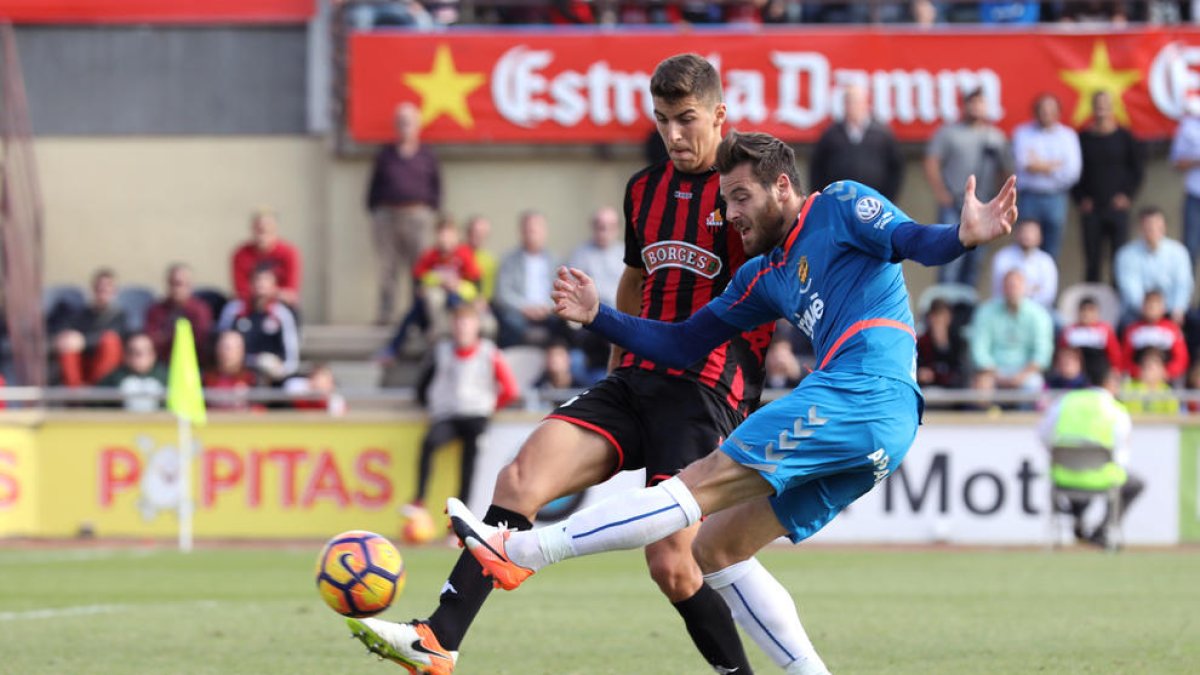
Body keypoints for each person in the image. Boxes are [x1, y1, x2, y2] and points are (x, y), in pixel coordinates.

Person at [440, 131, 1017, 674]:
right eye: (726, 200)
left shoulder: (838, 203)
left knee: (699, 482)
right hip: (875, 424)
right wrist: (600, 317)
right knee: (717, 547)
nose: (730, 213)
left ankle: (523, 552)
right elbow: (682, 341)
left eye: (741, 197)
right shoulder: (763, 275)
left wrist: (963, 235)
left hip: (864, 387)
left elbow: (912, 240)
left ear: (783, 187)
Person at [347, 54, 772, 675]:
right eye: (662, 121)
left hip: (706, 391)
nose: (674, 136)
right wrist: (618, 357)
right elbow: (635, 281)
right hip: (634, 381)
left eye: (686, 120)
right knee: (520, 479)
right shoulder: (643, 191)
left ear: (719, 115)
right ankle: (438, 639)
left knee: (674, 566)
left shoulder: (747, 189)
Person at [404, 304, 520, 532]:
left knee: (468, 466)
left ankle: (459, 522)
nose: (462, 329)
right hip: (448, 414)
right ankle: (419, 499)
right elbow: (423, 385)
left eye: (466, 323)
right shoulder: (442, 351)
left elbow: (510, 389)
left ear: (476, 326)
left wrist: (490, 407)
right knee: (429, 442)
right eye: (458, 323)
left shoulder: (489, 352)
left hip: (476, 416)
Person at [1039, 361, 1144, 549]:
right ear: (1109, 383)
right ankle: (1102, 530)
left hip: (1064, 474)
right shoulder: (1116, 409)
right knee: (1133, 483)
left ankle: (1078, 519)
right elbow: (1121, 455)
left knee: (1079, 480)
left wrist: (1062, 455)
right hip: (1101, 476)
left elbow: (1043, 434)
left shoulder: (1066, 401)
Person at [924, 87, 1010, 285]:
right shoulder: (949, 133)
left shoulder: (995, 137)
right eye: (972, 102)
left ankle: (965, 312)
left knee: (974, 264)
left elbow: (1006, 170)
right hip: (954, 205)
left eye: (981, 102)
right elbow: (931, 162)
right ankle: (944, 311)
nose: (976, 107)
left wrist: (998, 199)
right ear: (964, 105)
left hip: (983, 208)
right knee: (949, 262)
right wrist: (941, 193)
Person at [367, 102, 442, 325]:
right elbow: (373, 186)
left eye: (409, 122)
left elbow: (437, 186)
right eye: (400, 122)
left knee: (419, 270)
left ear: (418, 125)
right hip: (387, 217)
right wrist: (377, 212)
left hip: (417, 217)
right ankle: (386, 315)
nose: (405, 127)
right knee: (387, 269)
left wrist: (428, 212)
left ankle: (417, 317)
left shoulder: (427, 155)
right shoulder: (385, 154)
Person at [381, 216, 482, 359]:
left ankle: (444, 338)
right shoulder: (431, 255)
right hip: (432, 304)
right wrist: (436, 281)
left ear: (456, 236)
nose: (445, 240)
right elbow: (419, 277)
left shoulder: (464, 254)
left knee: (454, 304)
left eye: (449, 235)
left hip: (456, 299)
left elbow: (476, 282)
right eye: (442, 235)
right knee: (413, 313)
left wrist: (458, 285)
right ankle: (393, 348)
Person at [1073, 91, 1144, 283]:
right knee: (1092, 261)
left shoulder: (1125, 137)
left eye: (1106, 103)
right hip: (1092, 210)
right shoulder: (1082, 139)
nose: (1102, 108)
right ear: (1092, 108)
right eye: (1098, 104)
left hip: (1117, 209)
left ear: (1113, 107)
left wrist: (1127, 196)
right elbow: (1072, 171)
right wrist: (1080, 198)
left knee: (1119, 261)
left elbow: (1137, 170)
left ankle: (1117, 308)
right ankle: (1091, 310)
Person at [1012, 94, 1081, 259]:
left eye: (1051, 110)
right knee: (1024, 246)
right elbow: (1024, 164)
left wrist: (1039, 164)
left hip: (1056, 198)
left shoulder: (1068, 136)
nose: (1047, 114)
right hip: (1029, 196)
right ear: (1036, 112)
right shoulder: (1023, 133)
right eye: (1043, 110)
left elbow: (1072, 172)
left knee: (1052, 249)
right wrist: (1055, 165)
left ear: (1058, 113)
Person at [808, 84, 904, 200]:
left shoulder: (881, 133)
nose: (852, 107)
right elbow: (817, 167)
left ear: (865, 104)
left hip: (874, 200)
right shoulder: (831, 134)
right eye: (849, 102)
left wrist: (888, 197)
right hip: (839, 200)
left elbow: (895, 168)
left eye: (856, 102)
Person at [216, 266, 301, 384]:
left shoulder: (282, 314)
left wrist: (278, 369)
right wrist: (252, 361)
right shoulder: (234, 310)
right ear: (250, 284)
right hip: (237, 374)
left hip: (273, 379)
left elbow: (292, 360)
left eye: (266, 281)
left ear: (274, 286)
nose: (261, 285)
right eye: (257, 280)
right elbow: (221, 344)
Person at [492, 210, 564, 347]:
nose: (533, 234)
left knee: (565, 324)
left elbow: (562, 291)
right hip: (518, 313)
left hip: (548, 311)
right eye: (529, 230)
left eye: (536, 230)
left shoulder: (556, 260)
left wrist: (547, 308)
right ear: (521, 232)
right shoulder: (508, 260)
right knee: (510, 322)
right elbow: (502, 293)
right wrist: (525, 307)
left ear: (545, 232)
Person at [1114, 207, 1193, 325]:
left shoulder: (1178, 251)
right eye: (1149, 226)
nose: (1153, 229)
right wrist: (1149, 310)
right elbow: (1130, 289)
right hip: (1138, 312)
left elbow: (1183, 284)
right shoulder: (1126, 254)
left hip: (1172, 311)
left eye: (1157, 225)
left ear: (1164, 227)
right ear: (1141, 228)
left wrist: (1178, 308)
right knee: (1125, 324)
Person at [144, 263, 213, 367]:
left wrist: (167, 336)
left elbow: (200, 341)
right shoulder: (156, 310)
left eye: (179, 284)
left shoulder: (200, 310)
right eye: (172, 283)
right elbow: (151, 341)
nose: (176, 289)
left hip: (194, 365)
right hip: (161, 365)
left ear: (190, 285)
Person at [231, 209, 302, 309]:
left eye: (267, 228)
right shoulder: (241, 254)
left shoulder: (289, 253)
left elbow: (291, 293)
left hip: (279, 305)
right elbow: (241, 291)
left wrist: (266, 293)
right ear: (252, 229)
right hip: (249, 305)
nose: (263, 231)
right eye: (259, 229)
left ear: (275, 229)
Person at [989, 219, 1058, 311]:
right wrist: (1031, 289)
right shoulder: (1002, 256)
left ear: (1040, 237)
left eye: (1032, 232)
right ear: (1016, 234)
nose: (1028, 236)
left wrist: (1022, 302)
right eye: (1025, 231)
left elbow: (1048, 295)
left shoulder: (1046, 261)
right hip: (1004, 309)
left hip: (1037, 310)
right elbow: (997, 290)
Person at [1121, 290, 1189, 383]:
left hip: (1166, 380)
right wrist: (1138, 372)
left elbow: (1181, 358)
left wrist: (1166, 372)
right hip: (1138, 379)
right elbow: (1125, 358)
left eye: (1155, 305)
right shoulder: (1132, 330)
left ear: (1163, 308)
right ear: (1142, 307)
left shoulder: (1172, 329)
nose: (1151, 309)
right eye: (1148, 305)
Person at [567, 206, 625, 307]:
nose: (605, 232)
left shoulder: (626, 254)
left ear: (617, 229)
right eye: (601, 227)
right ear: (593, 227)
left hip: (621, 310)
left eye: (610, 227)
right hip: (591, 310)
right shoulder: (580, 254)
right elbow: (572, 288)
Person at [97, 333, 167, 412]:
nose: (139, 355)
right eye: (133, 351)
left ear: (153, 355)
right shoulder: (112, 379)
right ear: (125, 355)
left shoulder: (167, 378)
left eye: (145, 351)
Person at [1059, 296, 1123, 378]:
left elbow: (1115, 355)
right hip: (1075, 375)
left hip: (1099, 373)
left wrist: (1115, 371)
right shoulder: (1069, 332)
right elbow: (1063, 355)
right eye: (1083, 310)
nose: (1087, 314)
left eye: (1091, 310)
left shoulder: (1105, 331)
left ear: (1097, 313)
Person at [1169, 107, 1200, 263]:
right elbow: (1176, 163)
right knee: (1190, 248)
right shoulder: (1189, 126)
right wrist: (1196, 161)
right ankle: (1187, 287)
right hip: (1195, 196)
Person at [916, 298, 968, 390]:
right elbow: (919, 369)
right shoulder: (921, 342)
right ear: (929, 318)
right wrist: (920, 373)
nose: (939, 320)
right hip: (928, 389)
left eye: (942, 316)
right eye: (935, 316)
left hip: (953, 391)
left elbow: (960, 371)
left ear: (949, 317)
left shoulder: (958, 342)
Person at [203, 330, 258, 411]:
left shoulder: (252, 380)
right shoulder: (206, 378)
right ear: (217, 349)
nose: (229, 352)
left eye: (235, 348)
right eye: (226, 347)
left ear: (242, 351)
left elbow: (260, 412)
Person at [1122, 348, 1180, 415]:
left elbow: (1172, 416)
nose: (1148, 370)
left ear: (1162, 370)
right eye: (1146, 366)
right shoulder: (1129, 388)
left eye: (1153, 366)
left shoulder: (1168, 392)